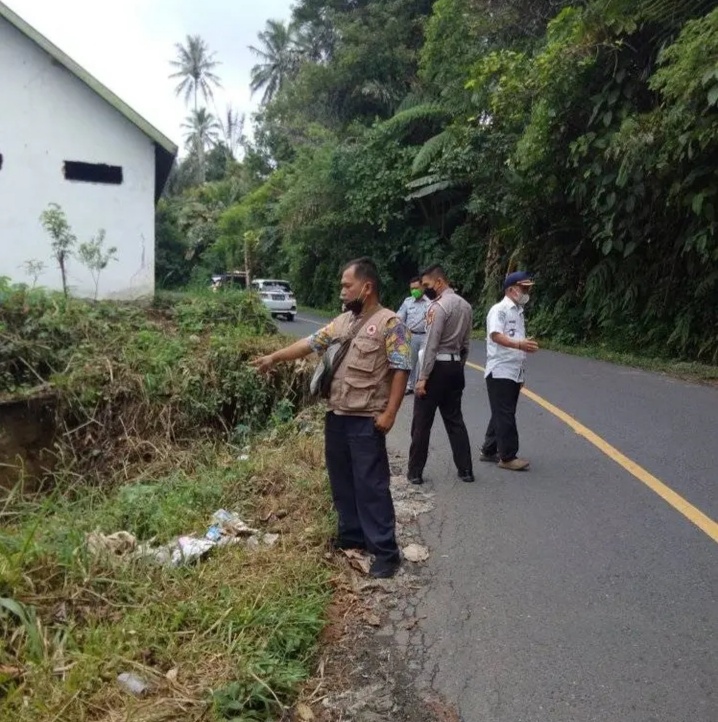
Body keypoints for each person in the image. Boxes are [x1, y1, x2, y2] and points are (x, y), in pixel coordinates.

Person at [252, 257, 411, 578]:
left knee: (372, 486)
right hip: (336, 416)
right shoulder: (340, 323)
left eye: (346, 285)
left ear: (366, 288)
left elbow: (401, 368)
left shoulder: (391, 324)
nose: (342, 291)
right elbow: (309, 344)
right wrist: (274, 357)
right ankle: (352, 535)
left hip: (366, 419)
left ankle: (385, 552)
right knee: (342, 482)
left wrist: (391, 412)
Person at [407, 264, 474, 485]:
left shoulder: (438, 307)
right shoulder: (465, 306)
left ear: (438, 282)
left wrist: (423, 377)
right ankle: (466, 470)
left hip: (436, 368)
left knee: (422, 422)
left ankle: (415, 473)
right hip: (455, 368)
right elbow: (465, 344)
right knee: (455, 420)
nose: (425, 289)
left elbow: (431, 343)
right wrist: (458, 367)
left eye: (426, 285)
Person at [480, 271, 539, 471]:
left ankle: (489, 449)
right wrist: (520, 344)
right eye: (523, 288)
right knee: (505, 414)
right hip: (500, 369)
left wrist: (521, 373)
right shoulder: (500, 310)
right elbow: (496, 335)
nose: (526, 291)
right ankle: (508, 457)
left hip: (514, 370)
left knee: (502, 411)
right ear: (511, 289)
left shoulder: (518, 311)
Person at [396, 276, 430, 394]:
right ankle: (409, 386)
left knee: (423, 361)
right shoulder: (407, 302)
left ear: (423, 287)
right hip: (411, 335)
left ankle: (420, 385)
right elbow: (399, 318)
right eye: (412, 289)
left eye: (416, 288)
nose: (414, 291)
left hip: (425, 336)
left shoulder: (429, 304)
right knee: (410, 362)